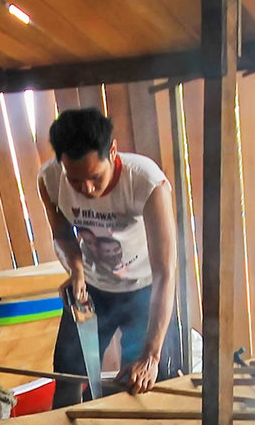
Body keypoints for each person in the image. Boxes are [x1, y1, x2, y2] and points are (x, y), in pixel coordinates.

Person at [37, 107, 177, 407]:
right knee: (68, 380)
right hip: (92, 289)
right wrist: (76, 271)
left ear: (113, 151)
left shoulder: (146, 182)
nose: (86, 189)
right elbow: (62, 235)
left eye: (95, 177)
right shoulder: (49, 179)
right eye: (75, 180)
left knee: (140, 386)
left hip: (145, 290)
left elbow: (165, 272)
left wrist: (151, 356)